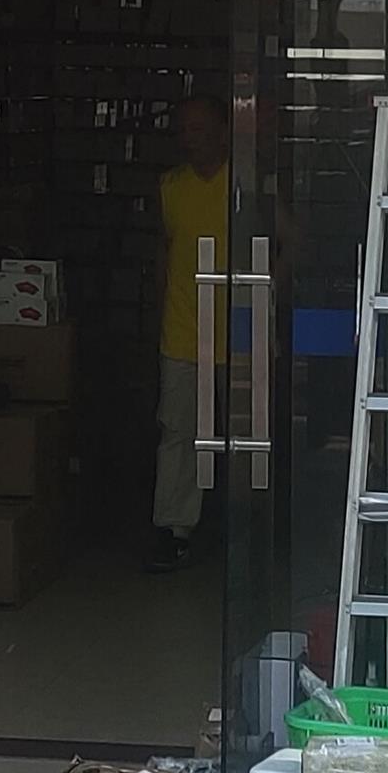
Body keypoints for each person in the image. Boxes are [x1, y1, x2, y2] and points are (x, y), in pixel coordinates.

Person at [149, 91, 232, 574]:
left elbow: (290, 239)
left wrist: (267, 299)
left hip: (237, 335)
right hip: (182, 333)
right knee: (179, 433)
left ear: (223, 132)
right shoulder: (170, 188)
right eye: (184, 130)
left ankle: (248, 529)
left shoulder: (244, 184)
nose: (190, 139)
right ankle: (173, 530)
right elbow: (162, 254)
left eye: (199, 129)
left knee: (244, 438)